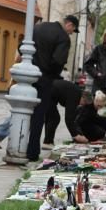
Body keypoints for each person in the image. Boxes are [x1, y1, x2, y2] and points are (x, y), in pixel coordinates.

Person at [26, 15, 78, 161]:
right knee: (38, 115)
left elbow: (22, 46)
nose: (71, 33)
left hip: (28, 74)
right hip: (45, 78)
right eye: (73, 30)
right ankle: (32, 151)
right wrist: (54, 75)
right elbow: (58, 60)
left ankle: (19, 145)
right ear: (69, 24)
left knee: (23, 111)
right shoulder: (63, 38)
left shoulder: (38, 27)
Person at [43, 80, 88, 148]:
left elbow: (72, 117)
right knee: (54, 118)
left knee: (51, 117)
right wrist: (76, 136)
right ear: (83, 98)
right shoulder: (75, 96)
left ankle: (48, 141)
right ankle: (47, 142)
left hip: (49, 90)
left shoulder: (76, 92)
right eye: (84, 103)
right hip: (48, 92)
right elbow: (68, 119)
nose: (81, 105)